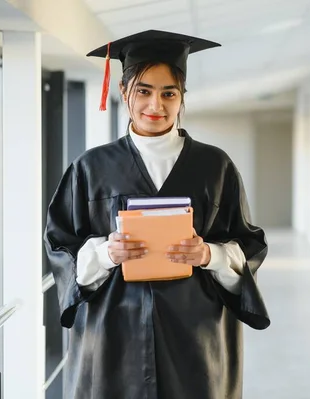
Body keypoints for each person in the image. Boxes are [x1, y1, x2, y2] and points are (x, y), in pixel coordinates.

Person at [44, 30, 270, 399]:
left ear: (182, 97)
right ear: (124, 92)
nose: (156, 104)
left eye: (169, 93)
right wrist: (105, 253)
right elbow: (60, 245)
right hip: (113, 335)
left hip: (196, 332)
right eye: (144, 91)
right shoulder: (91, 168)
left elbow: (248, 244)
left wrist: (209, 254)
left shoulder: (214, 165)